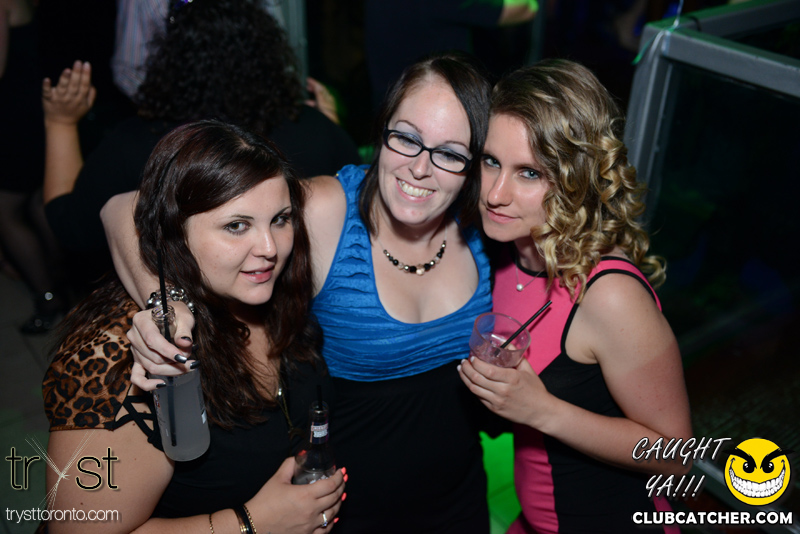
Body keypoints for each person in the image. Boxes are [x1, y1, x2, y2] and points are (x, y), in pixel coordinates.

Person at [103, 52, 499, 533]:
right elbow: (127, 209)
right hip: (347, 511)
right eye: (407, 138)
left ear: (475, 165)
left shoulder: (487, 228)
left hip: (460, 501)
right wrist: (164, 304)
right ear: (381, 131)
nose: (420, 168)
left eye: (451, 154)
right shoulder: (328, 210)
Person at [41, 120, 346, 534]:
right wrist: (252, 523)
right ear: (174, 233)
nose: (270, 248)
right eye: (236, 226)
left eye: (280, 219)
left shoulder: (279, 296)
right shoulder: (129, 356)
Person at [457, 59, 692, 533]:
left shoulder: (609, 295)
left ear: (575, 178)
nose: (495, 194)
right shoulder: (500, 252)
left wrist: (543, 411)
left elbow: (678, 458)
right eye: (491, 161)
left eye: (529, 173)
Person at [43, 0, 359, 255]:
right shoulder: (314, 130)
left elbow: (68, 226)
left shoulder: (135, 146)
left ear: (168, 61)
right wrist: (329, 128)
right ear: (268, 54)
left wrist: (60, 124)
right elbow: (355, 204)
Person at [0, 0, 68, 333]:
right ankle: (64, 283)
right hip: (30, 107)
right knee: (40, 200)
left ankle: (49, 298)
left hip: (14, 116)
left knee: (5, 212)